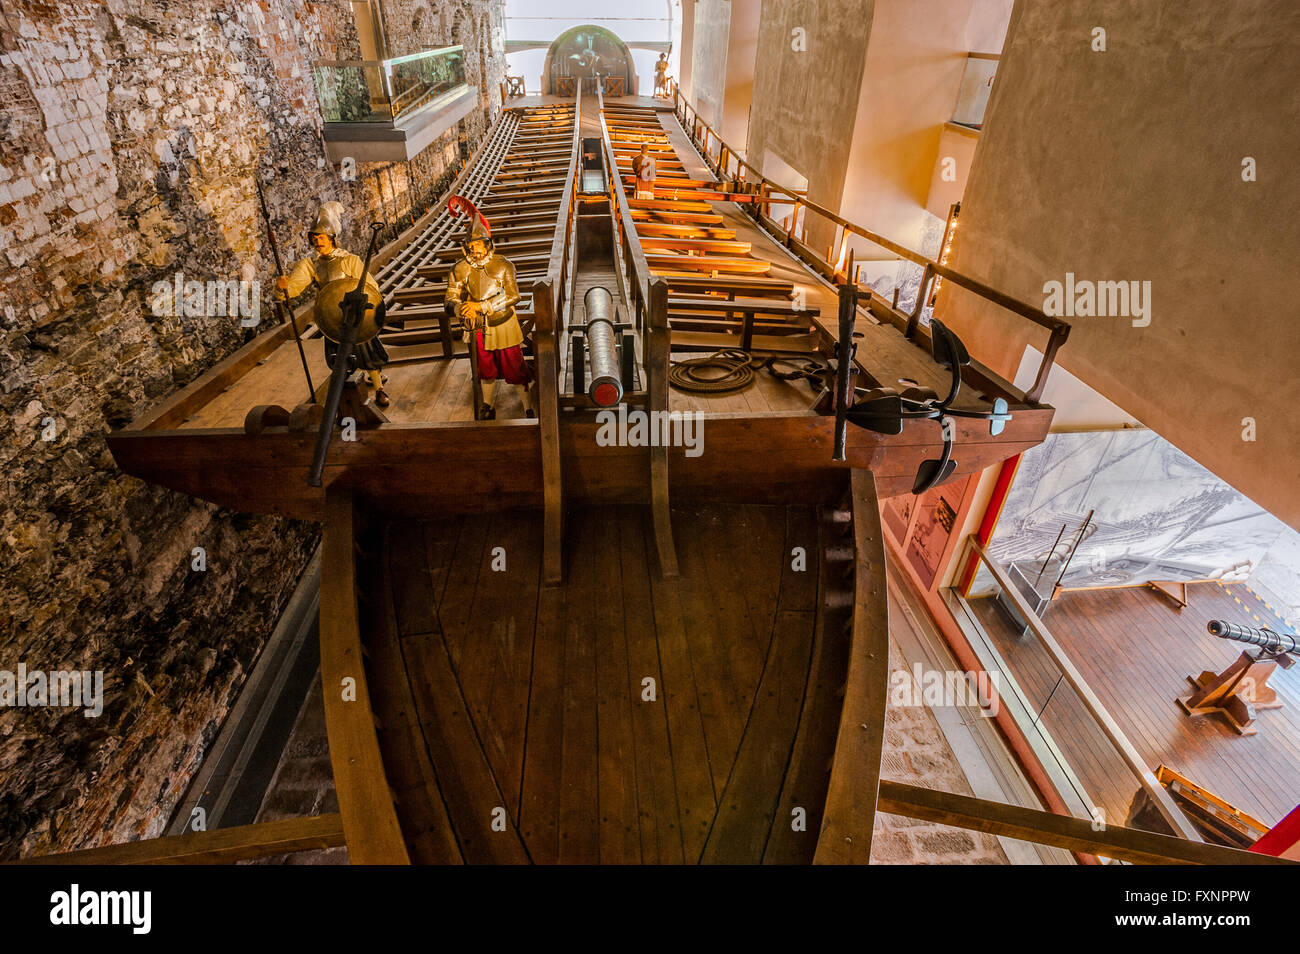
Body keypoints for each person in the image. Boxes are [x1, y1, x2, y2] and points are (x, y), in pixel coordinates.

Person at [277, 201, 390, 406]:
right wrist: (282, 287)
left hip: (355, 315)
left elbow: (371, 288)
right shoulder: (311, 265)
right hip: (332, 317)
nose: (317, 241)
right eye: (314, 237)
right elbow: (292, 290)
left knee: (366, 351)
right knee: (339, 358)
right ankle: (348, 393)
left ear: (331, 238)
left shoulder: (349, 260)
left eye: (321, 237)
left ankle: (379, 387)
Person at [444, 216, 534, 420]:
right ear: (466, 247)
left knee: (514, 366)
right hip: (477, 325)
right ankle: (488, 404)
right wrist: (460, 309)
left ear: (488, 245)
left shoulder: (503, 265)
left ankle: (527, 406)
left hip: (502, 321)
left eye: (480, 245)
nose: (477, 250)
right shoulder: (460, 269)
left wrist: (482, 305)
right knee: (485, 367)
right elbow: (450, 297)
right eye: (473, 245)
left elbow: (513, 296)